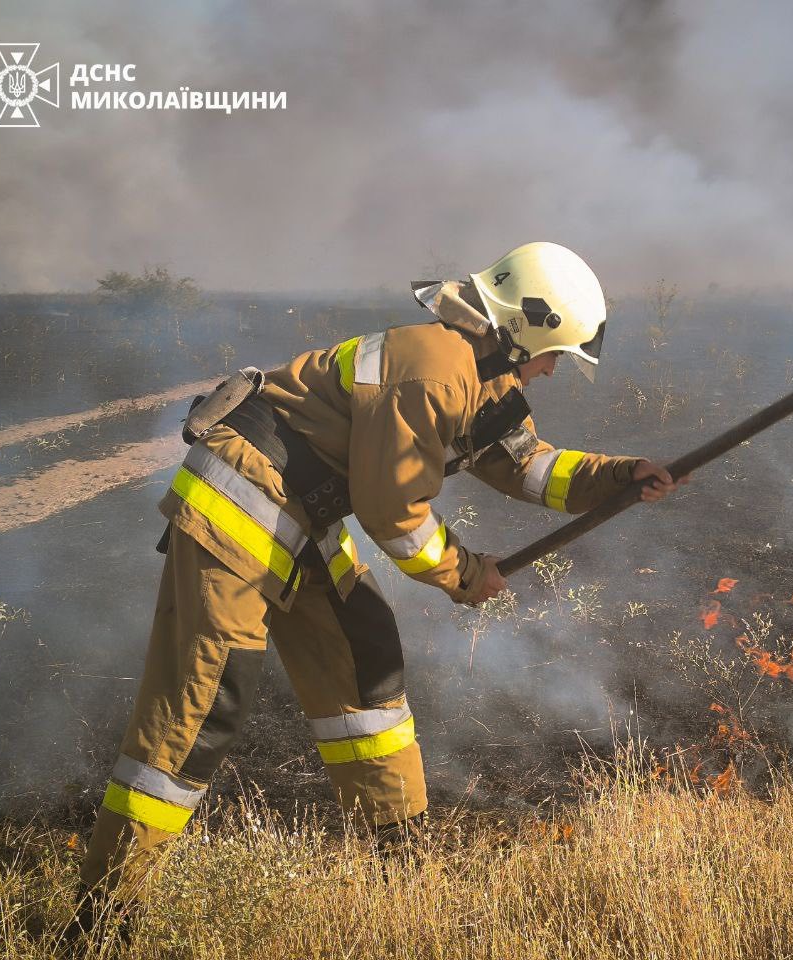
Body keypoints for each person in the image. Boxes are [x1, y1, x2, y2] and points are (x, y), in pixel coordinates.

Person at [73, 241, 686, 926]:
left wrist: (620, 474)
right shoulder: (434, 370)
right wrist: (465, 572)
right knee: (201, 702)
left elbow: (527, 466)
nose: (549, 372)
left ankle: (401, 856)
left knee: (365, 653)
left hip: (298, 513)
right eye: (555, 355)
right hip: (243, 501)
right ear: (526, 327)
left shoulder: (482, 376)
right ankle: (104, 911)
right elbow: (394, 516)